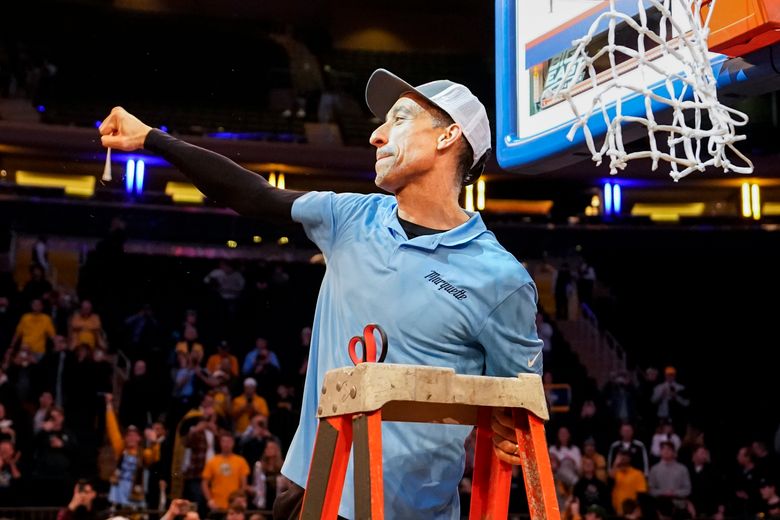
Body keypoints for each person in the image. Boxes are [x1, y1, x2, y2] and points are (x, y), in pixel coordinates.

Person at [99, 67, 543, 519]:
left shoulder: (500, 280)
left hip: (408, 510)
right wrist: (153, 139)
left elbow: (520, 413)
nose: (377, 136)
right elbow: (251, 194)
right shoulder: (351, 217)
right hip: (309, 489)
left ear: (448, 136)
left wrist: (508, 428)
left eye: (400, 119)